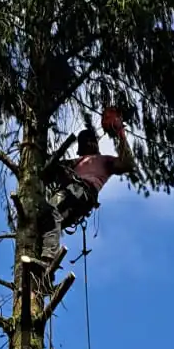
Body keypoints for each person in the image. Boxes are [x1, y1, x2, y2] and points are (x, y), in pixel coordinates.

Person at [39, 109, 134, 265]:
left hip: (81, 193)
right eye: (86, 143)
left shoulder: (105, 161)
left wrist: (120, 133)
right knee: (46, 220)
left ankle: (48, 257)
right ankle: (46, 265)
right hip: (76, 199)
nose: (90, 144)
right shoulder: (74, 163)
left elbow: (127, 163)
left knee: (51, 212)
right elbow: (50, 170)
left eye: (91, 142)